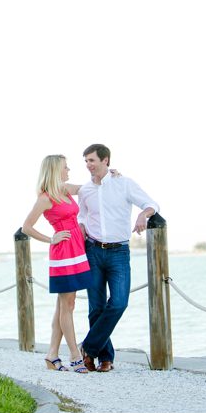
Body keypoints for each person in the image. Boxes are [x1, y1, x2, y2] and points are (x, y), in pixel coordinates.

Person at [78, 143, 159, 373]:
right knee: (96, 308)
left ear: (106, 160)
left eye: (92, 160)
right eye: (86, 161)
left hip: (119, 253)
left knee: (119, 302)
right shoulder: (85, 190)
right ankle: (105, 358)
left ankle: (89, 347)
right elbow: (82, 215)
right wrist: (82, 224)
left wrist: (144, 214)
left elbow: (151, 203)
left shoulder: (124, 184)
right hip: (92, 251)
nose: (88, 165)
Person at [22, 155, 93, 373]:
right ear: (55, 170)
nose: (69, 169)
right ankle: (74, 355)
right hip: (63, 253)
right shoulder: (45, 198)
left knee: (63, 306)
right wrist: (51, 238)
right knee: (68, 306)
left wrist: (112, 176)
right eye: (65, 167)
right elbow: (26, 227)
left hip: (78, 249)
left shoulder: (64, 189)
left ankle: (52, 355)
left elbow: (90, 188)